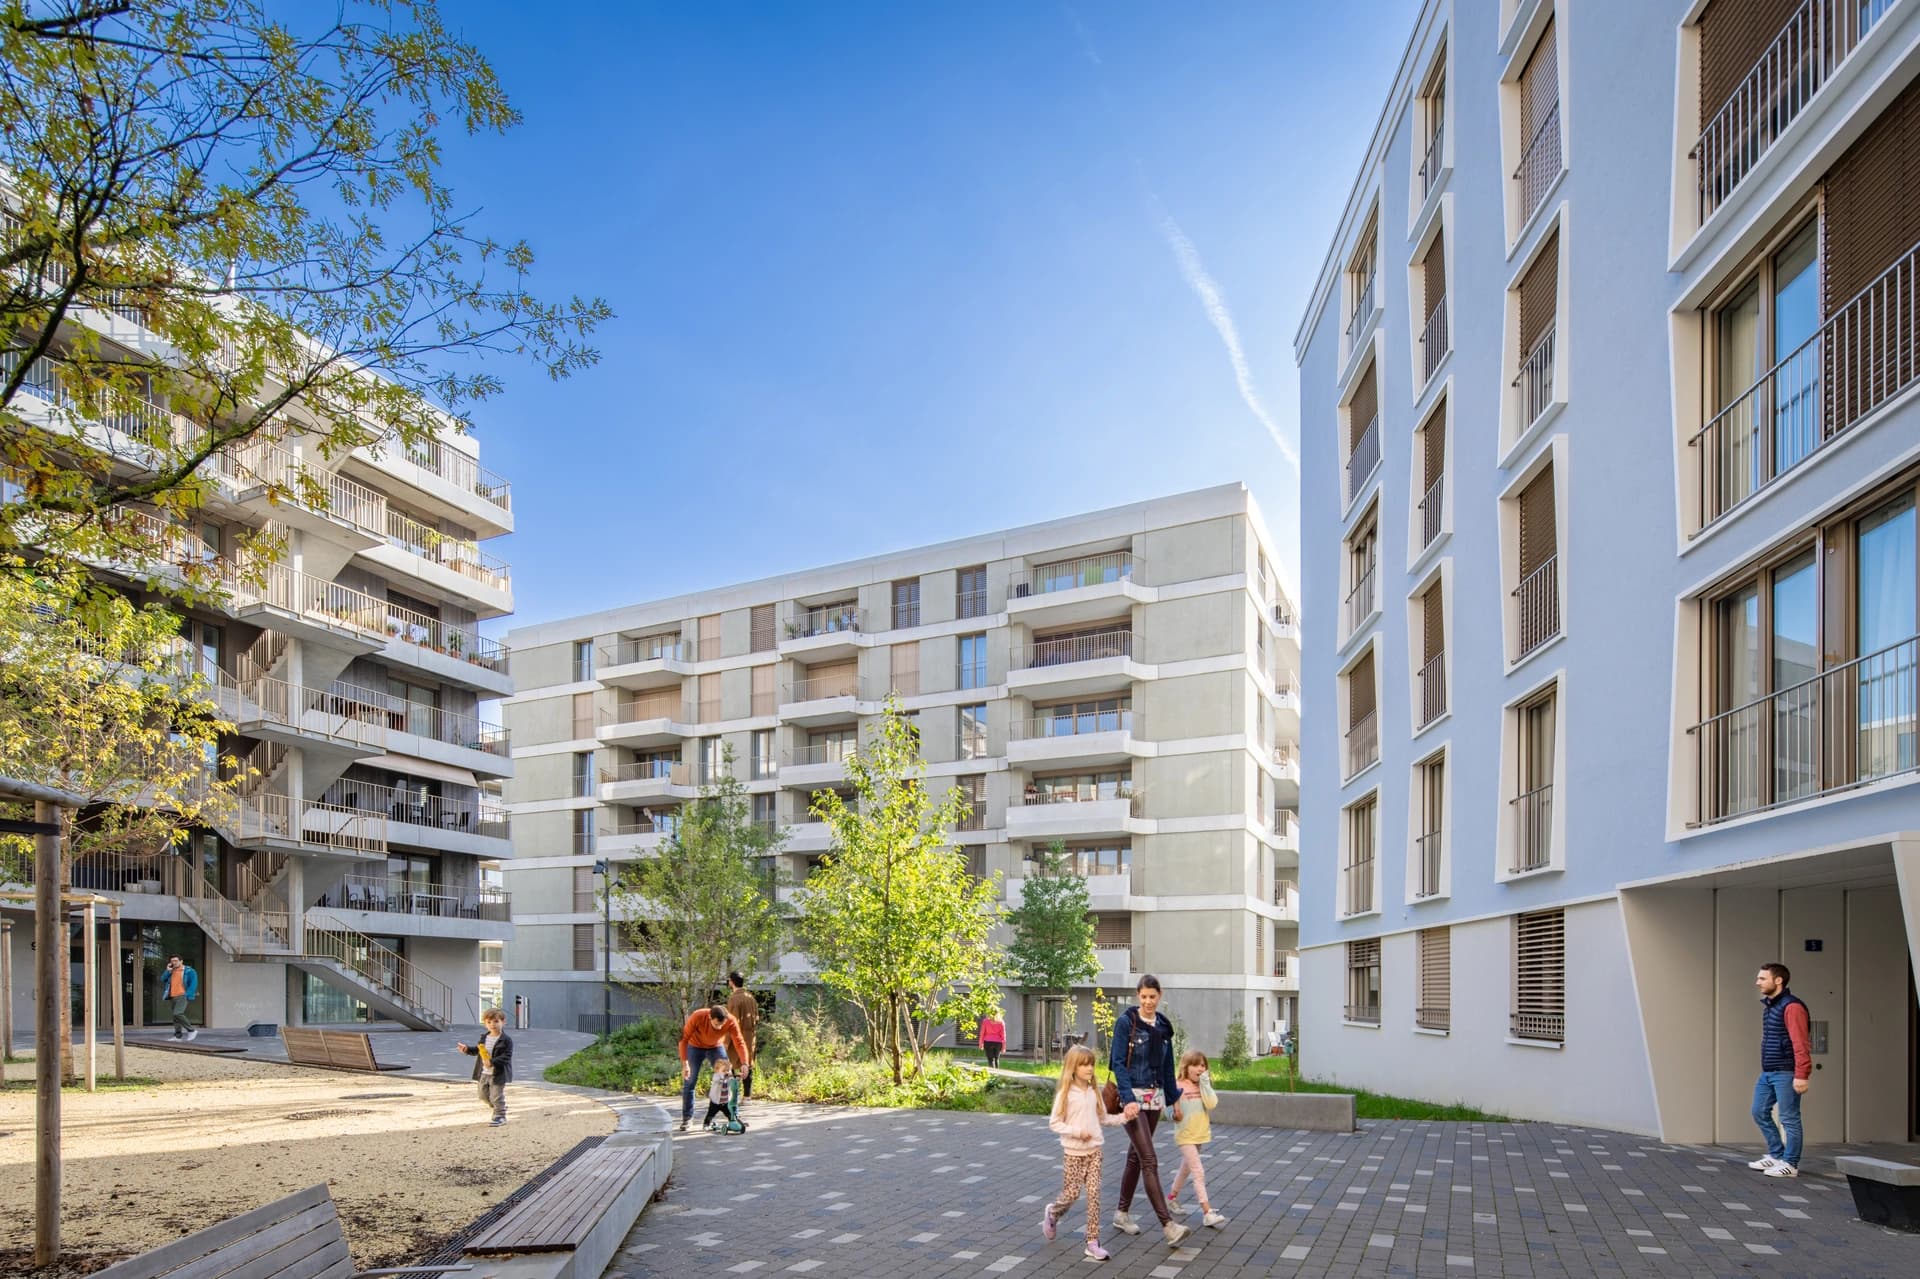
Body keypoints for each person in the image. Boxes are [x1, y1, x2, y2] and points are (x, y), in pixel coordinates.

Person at [1108, 974, 1191, 1245]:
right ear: (1138, 996)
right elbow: (1118, 1063)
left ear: (1160, 995)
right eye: (1143, 997)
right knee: (1149, 1159)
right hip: (1132, 1100)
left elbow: (1168, 1067)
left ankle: (1121, 1213)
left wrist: (1174, 1100)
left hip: (1154, 1099)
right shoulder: (1126, 1023)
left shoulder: (1163, 1027)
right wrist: (1127, 1098)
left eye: (1152, 997)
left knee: (1136, 1156)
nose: (1147, 1002)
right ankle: (1168, 1225)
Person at [1041, 1044, 1128, 1262]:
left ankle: (1092, 1242)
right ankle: (1053, 1213)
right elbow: (1054, 1123)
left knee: (1094, 1195)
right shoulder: (1065, 1094)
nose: (1089, 1068)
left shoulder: (1094, 1092)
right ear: (1073, 1067)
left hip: (1095, 1152)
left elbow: (1103, 1118)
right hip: (1073, 1154)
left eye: (1091, 1064)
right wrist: (1077, 1132)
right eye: (1084, 1065)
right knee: (1071, 1194)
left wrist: (1125, 1117)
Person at [1749, 962, 1812, 1178]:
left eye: (1762, 978)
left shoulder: (1792, 1007)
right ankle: (1776, 1155)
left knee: (1789, 1118)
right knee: (1759, 1111)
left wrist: (1802, 1074)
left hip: (1786, 1071)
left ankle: (1790, 1164)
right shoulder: (1771, 1007)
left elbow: (1800, 1043)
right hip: (1768, 1071)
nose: (1757, 982)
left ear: (1778, 981)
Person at [1165, 1049, 1227, 1227]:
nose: (1200, 1069)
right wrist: (1173, 1115)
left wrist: (1205, 1083)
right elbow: (1167, 1110)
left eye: (1203, 1065)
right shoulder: (1176, 1085)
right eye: (1195, 1065)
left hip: (1199, 1135)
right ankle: (1207, 1213)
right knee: (1198, 1171)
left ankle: (1171, 1198)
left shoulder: (1203, 1086)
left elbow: (1212, 1104)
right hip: (1185, 1136)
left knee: (1186, 1168)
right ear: (1186, 1067)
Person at [679, 1002, 751, 1132]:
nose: (720, 1028)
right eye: (717, 1024)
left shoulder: (731, 1020)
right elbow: (683, 1040)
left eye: (722, 1025)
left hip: (716, 1047)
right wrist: (685, 1064)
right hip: (694, 1046)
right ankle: (687, 1118)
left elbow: (739, 1041)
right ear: (709, 1018)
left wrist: (745, 1063)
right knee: (690, 1081)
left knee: (729, 1079)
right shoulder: (698, 1016)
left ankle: (734, 1117)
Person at [457, 1008, 514, 1127]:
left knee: (496, 1096)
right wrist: (467, 1049)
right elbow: (479, 1050)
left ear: (503, 1022)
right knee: (482, 1095)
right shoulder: (484, 1038)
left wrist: (492, 1062)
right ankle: (499, 1107)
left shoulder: (506, 1040)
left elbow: (506, 1057)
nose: (492, 1024)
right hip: (483, 1072)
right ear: (485, 1024)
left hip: (498, 1073)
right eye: (489, 1022)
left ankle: (500, 1116)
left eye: (496, 1021)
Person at [726, 972, 760, 1099]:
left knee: (732, 1063)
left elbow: (731, 1021)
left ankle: (733, 1095)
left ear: (731, 982)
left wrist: (725, 1041)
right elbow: (757, 1018)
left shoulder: (734, 999)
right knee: (747, 1063)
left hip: (737, 1035)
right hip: (750, 1036)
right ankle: (747, 1096)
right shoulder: (750, 997)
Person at [703, 1057, 747, 1133]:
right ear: (717, 1071)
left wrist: (738, 1077)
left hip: (725, 1102)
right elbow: (718, 1080)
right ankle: (706, 1124)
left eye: (728, 1070)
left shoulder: (728, 1078)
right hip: (715, 1102)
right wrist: (724, 1076)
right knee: (710, 1114)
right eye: (724, 1071)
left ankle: (735, 1124)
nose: (727, 1072)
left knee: (730, 1114)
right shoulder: (716, 1076)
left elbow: (733, 1081)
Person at [161, 955, 198, 1041]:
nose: (174, 962)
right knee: (175, 1017)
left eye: (176, 960)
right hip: (172, 996)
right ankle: (178, 1036)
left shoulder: (189, 971)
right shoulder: (171, 971)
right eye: (172, 961)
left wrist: (187, 994)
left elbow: (193, 983)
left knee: (178, 1013)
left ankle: (191, 1030)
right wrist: (168, 971)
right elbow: (163, 979)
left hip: (182, 995)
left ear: (181, 961)